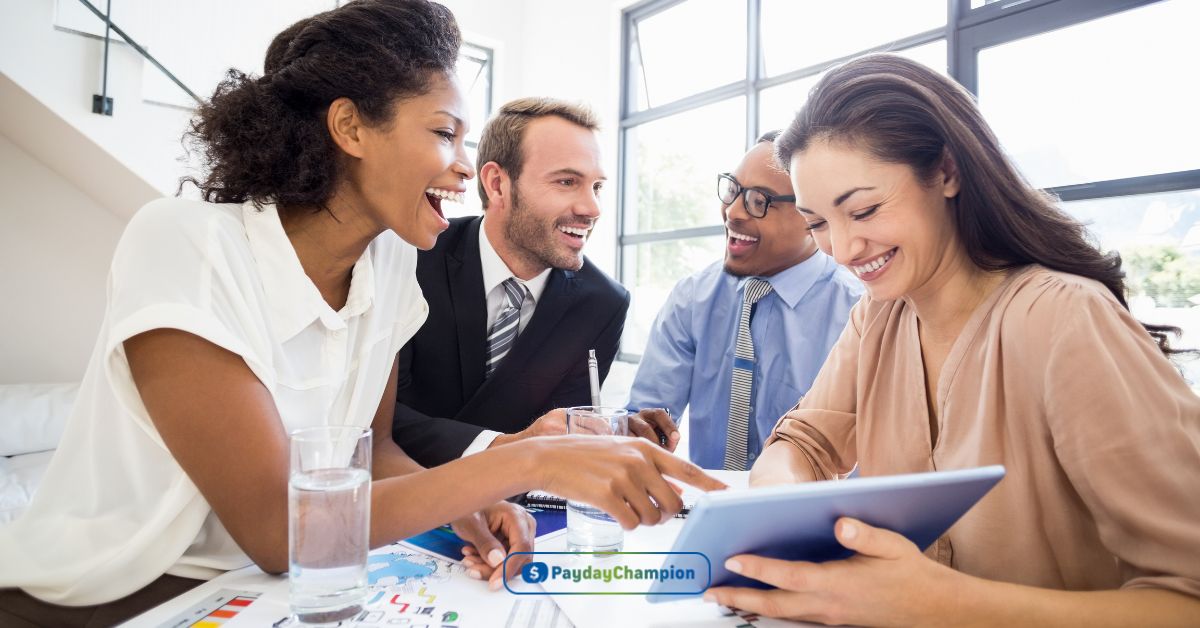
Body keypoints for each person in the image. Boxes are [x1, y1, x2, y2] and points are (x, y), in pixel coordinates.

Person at [0, 2, 723, 624]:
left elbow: (372, 453)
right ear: (349, 127)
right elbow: (280, 530)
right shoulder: (186, 243)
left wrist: (453, 512)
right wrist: (527, 461)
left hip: (259, 597)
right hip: (102, 602)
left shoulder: (386, 269)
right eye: (444, 133)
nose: (466, 167)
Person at [701, 54, 1200, 625]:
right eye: (817, 224)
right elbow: (803, 444)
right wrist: (787, 518)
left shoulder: (1065, 320)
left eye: (862, 210)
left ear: (946, 172)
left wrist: (934, 603)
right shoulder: (879, 319)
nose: (841, 249)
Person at [391, 97, 671, 466]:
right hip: (400, 493)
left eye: (597, 186)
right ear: (497, 184)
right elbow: (381, 419)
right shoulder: (410, 258)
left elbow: (561, 432)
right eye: (567, 181)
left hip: (520, 510)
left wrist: (609, 430)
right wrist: (506, 445)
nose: (592, 208)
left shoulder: (603, 303)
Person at [626, 131, 862, 470]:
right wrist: (640, 432)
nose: (732, 212)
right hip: (707, 508)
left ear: (813, 216)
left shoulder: (859, 312)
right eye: (733, 190)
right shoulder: (693, 298)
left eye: (758, 201)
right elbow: (644, 419)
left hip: (819, 517)